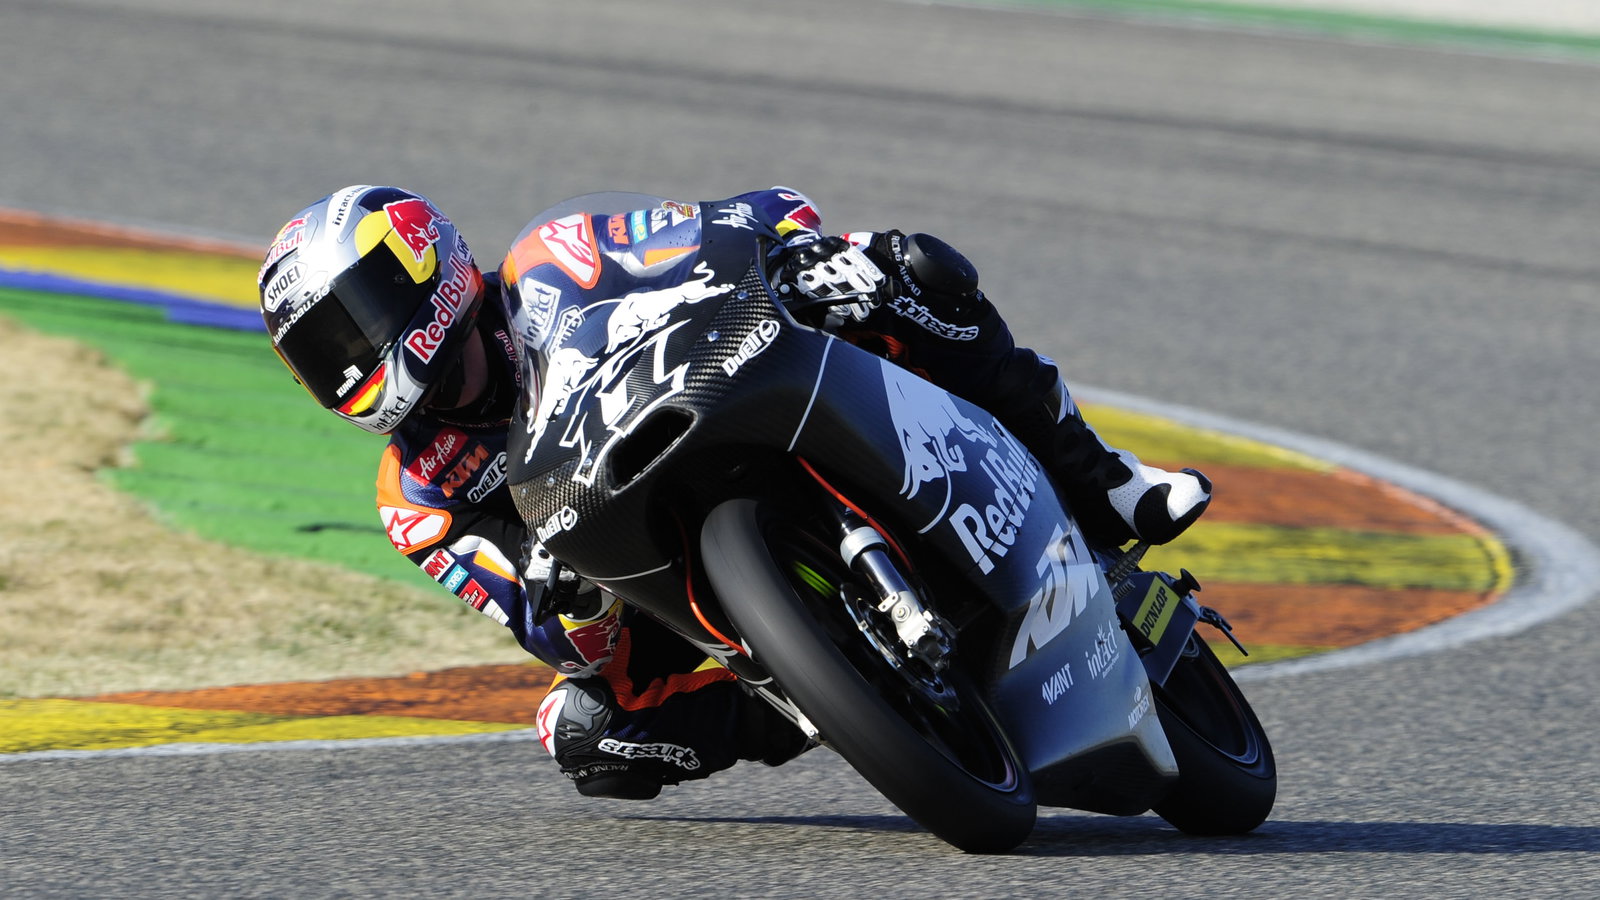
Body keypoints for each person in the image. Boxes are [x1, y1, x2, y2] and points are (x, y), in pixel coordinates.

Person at [257, 184, 1212, 799]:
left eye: (352, 325)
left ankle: (1103, 483)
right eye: (320, 354)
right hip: (654, 576)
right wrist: (563, 601)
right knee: (583, 733)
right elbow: (539, 625)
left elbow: (728, 224)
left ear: (421, 266)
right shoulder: (416, 497)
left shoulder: (558, 259)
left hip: (730, 388)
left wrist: (804, 250)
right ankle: (838, 698)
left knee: (912, 272)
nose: (349, 360)